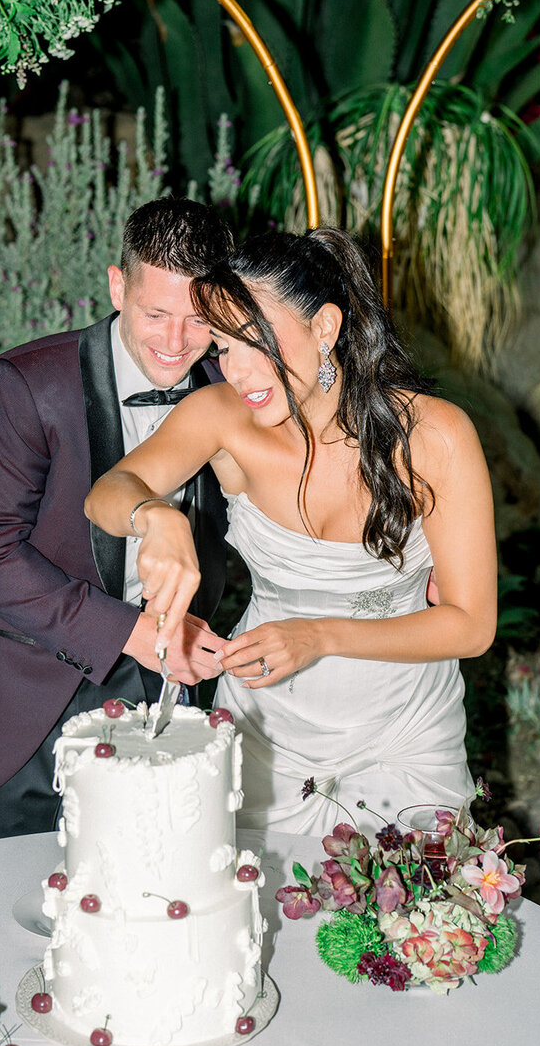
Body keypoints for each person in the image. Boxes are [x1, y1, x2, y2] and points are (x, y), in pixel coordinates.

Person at [85, 227, 497, 836]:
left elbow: (471, 624)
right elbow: (107, 494)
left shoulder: (434, 437)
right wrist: (157, 516)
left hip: (406, 738)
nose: (240, 372)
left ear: (325, 328)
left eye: (257, 342)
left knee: (413, 921)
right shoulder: (223, 418)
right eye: (224, 347)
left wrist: (317, 637)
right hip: (264, 734)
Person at [0, 198, 233, 845]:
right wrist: (129, 630)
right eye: (155, 313)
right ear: (116, 285)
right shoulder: (24, 387)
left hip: (153, 685)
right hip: (11, 688)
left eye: (199, 320)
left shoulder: (230, 386)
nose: (174, 341)